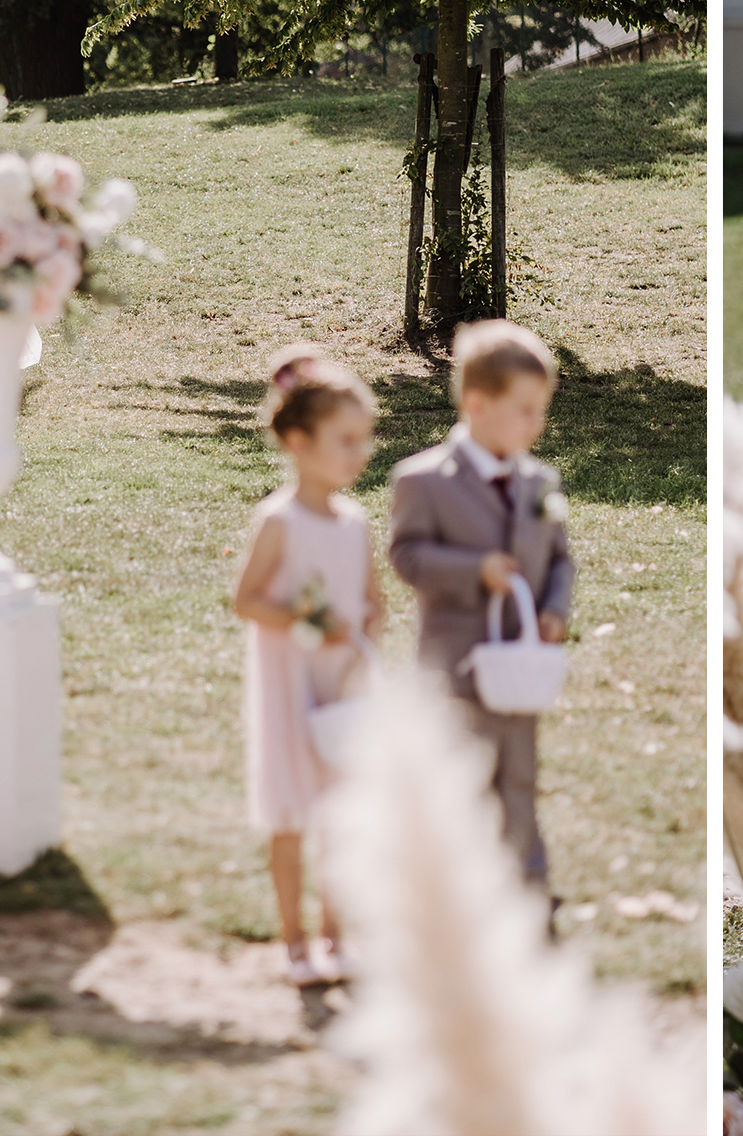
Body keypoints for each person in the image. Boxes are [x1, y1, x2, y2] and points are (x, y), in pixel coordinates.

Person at [388, 319, 575, 894]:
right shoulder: (423, 481)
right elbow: (408, 556)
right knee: (461, 775)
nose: (536, 422)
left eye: (541, 408)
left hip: (521, 663)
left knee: (519, 772)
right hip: (457, 664)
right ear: (476, 403)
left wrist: (553, 608)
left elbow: (561, 558)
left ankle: (528, 881)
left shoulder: (539, 481)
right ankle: (453, 890)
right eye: (523, 408)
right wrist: (476, 570)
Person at [232, 345, 385, 987]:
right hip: (291, 682)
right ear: (298, 441)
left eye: (363, 440)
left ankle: (336, 934)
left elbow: (374, 602)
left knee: (344, 814)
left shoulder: (355, 523)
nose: (359, 453)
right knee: (293, 812)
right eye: (344, 440)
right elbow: (246, 600)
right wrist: (306, 620)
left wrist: (364, 632)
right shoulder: (279, 521)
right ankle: (294, 942)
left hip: (342, 684)